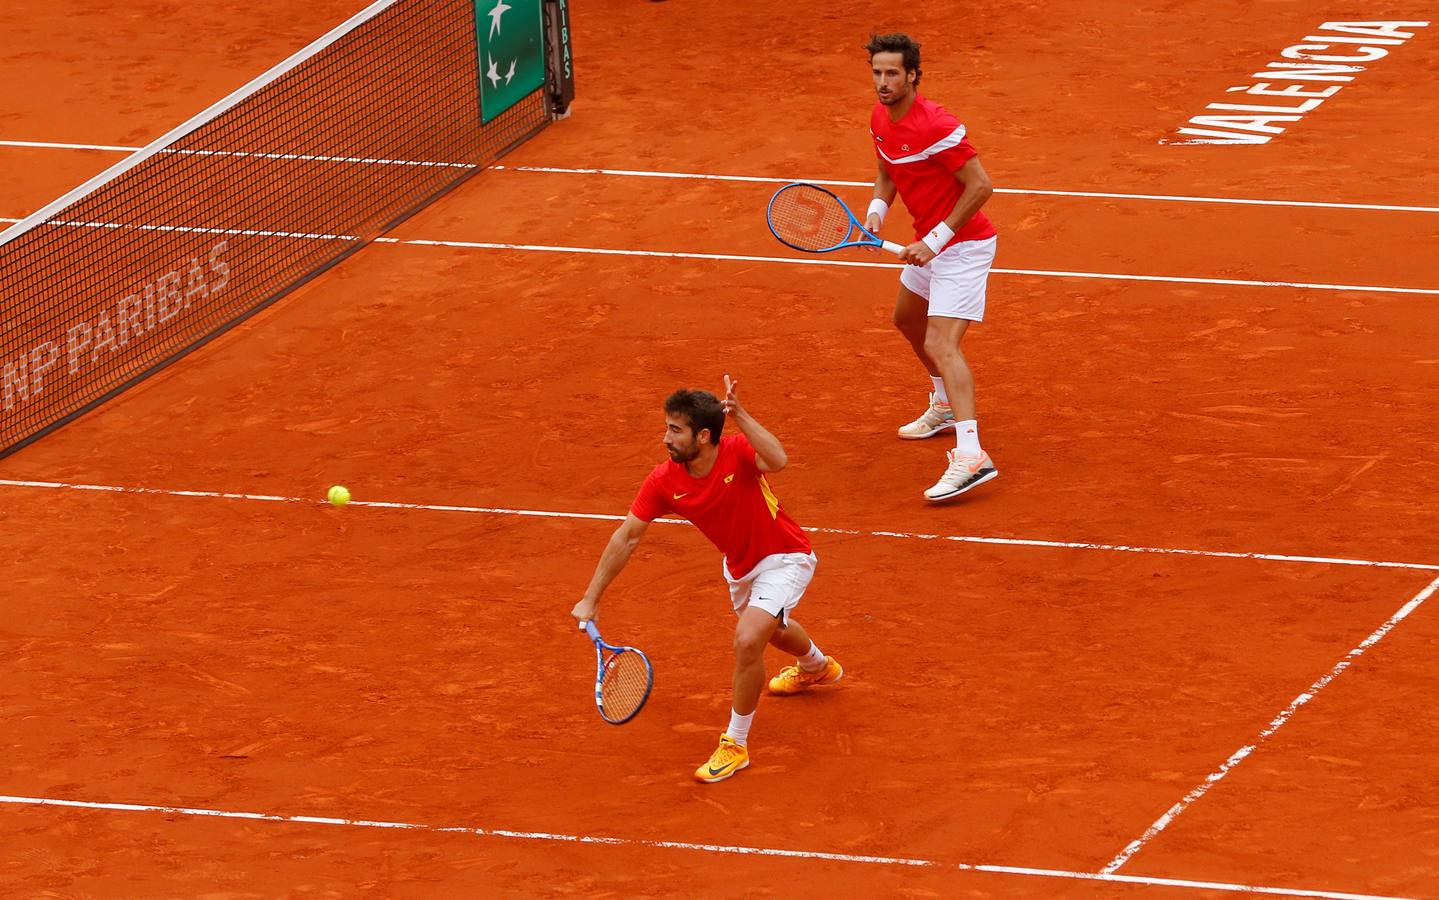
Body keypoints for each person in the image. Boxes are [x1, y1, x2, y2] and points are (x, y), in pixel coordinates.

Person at [570, 377, 843, 783]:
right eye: (666, 427)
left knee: (748, 638)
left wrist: (742, 415)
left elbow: (779, 459)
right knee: (773, 632)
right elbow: (626, 536)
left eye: (675, 430)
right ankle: (816, 666)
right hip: (740, 568)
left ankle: (735, 744)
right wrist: (591, 597)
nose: (666, 438)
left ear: (703, 435)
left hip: (785, 556)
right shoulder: (664, 480)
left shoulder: (737, 452)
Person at [864, 32, 1000, 502]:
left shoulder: (936, 125)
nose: (883, 82)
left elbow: (981, 186)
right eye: (877, 73)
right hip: (930, 243)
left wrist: (936, 239)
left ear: (913, 76)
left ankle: (972, 455)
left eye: (893, 73)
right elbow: (888, 171)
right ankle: (943, 404)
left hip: (963, 247)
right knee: (906, 319)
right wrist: (877, 211)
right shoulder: (881, 118)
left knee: (941, 342)